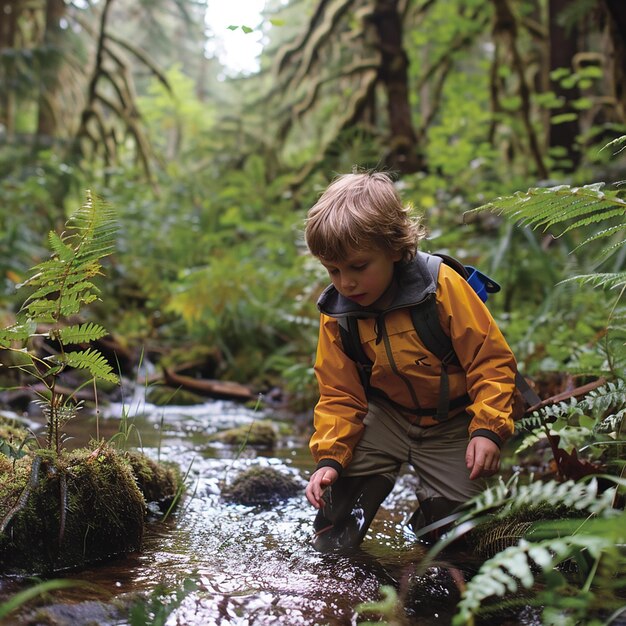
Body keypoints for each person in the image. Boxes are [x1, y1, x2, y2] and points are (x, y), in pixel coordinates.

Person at [303, 171, 517, 551]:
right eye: (332, 270)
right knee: (332, 521)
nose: (345, 283)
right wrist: (329, 460)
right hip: (385, 417)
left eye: (358, 266)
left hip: (453, 421)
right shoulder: (337, 313)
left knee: (467, 539)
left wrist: (488, 430)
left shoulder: (441, 286)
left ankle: (429, 519)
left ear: (395, 247)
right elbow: (339, 394)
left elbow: (491, 361)